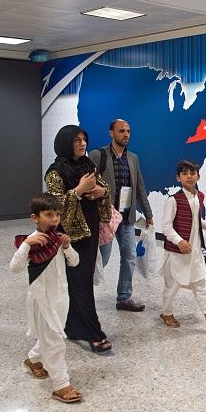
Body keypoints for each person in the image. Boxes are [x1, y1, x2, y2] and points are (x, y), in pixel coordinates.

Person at [45, 125, 113, 353]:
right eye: (77, 140)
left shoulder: (88, 164)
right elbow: (54, 208)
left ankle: (73, 327)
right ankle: (94, 334)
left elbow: (103, 187)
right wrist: (78, 190)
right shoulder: (55, 172)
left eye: (84, 139)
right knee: (80, 280)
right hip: (69, 234)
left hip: (90, 228)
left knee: (79, 280)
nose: (83, 144)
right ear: (66, 143)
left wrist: (101, 192)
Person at [10, 193, 82, 403]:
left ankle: (33, 359)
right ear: (35, 217)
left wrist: (67, 247)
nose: (54, 219)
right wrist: (27, 245)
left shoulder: (59, 239)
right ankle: (61, 385)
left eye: (57, 215)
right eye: (48, 214)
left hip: (61, 297)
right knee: (55, 342)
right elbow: (14, 268)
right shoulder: (30, 242)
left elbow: (75, 263)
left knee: (51, 335)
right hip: (42, 300)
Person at [90, 119, 153, 312]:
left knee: (129, 256)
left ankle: (124, 298)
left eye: (128, 131)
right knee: (103, 258)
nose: (126, 134)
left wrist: (148, 214)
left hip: (126, 217)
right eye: (121, 131)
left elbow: (140, 187)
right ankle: (83, 294)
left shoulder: (133, 158)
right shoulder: (97, 155)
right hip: (105, 217)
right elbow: (87, 184)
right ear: (111, 133)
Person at [159, 160, 206, 332]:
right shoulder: (174, 200)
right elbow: (166, 227)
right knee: (173, 285)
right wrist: (180, 241)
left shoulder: (199, 197)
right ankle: (166, 312)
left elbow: (196, 218)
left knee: (201, 283)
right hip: (177, 252)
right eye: (184, 173)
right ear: (178, 178)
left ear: (198, 175)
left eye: (192, 173)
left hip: (196, 251)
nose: (189, 176)